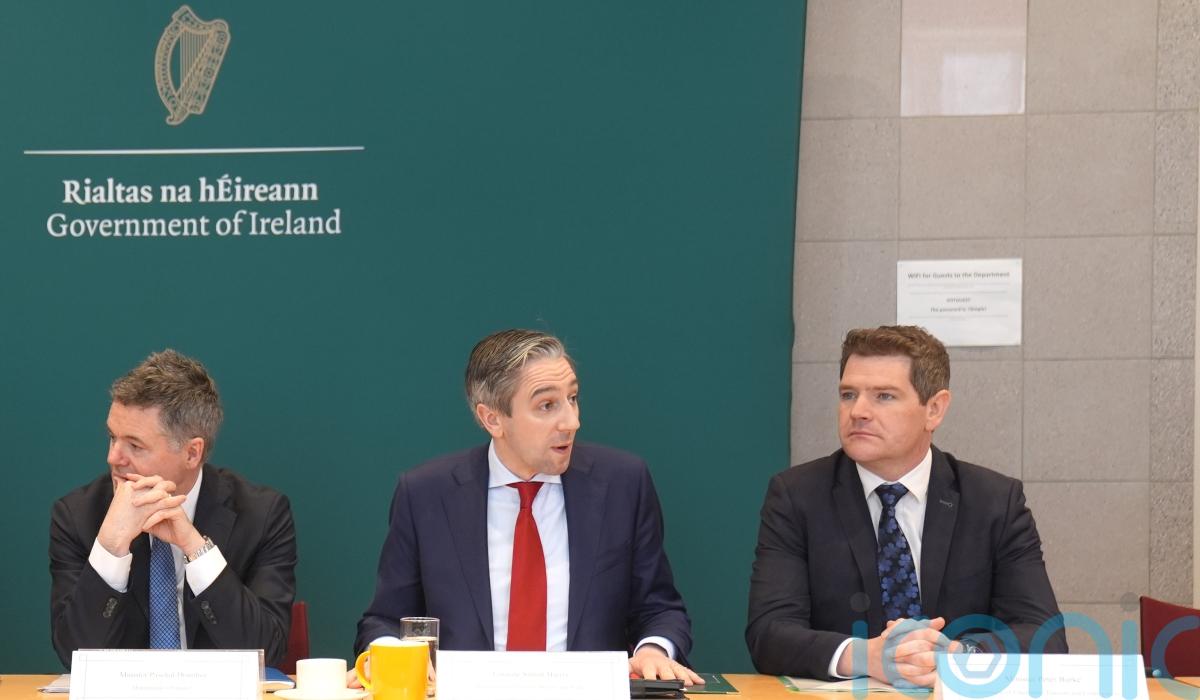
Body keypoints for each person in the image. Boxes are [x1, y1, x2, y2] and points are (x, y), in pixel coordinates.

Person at [356, 329, 701, 684]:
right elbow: (384, 621)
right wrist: (390, 655)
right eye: (547, 405)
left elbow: (659, 608)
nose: (572, 422)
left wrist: (653, 650)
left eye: (573, 398)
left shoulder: (623, 484)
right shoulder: (426, 494)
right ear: (492, 419)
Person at [746, 326, 1066, 687]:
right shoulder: (797, 496)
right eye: (848, 394)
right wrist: (865, 656)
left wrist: (959, 656)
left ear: (934, 409)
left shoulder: (994, 501)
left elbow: (1046, 636)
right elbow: (768, 633)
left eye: (884, 396)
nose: (858, 411)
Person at [49, 350, 297, 668]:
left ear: (192, 453)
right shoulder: (77, 515)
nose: (114, 458)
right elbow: (74, 655)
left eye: (135, 445)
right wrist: (110, 546)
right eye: (112, 438)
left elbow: (267, 651)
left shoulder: (262, 515)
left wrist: (195, 547)